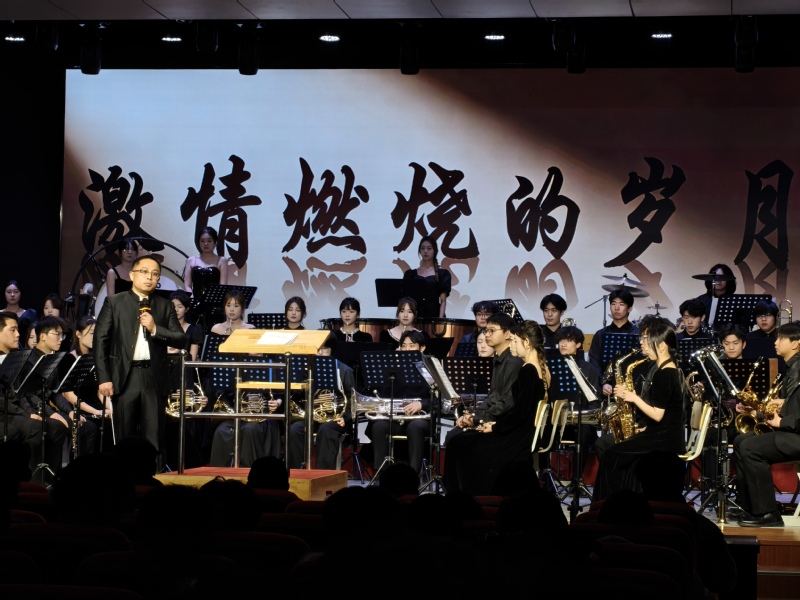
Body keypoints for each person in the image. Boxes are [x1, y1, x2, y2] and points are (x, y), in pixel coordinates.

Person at [93, 255, 185, 468]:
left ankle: (155, 478)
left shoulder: (164, 306)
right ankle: (123, 479)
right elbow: (100, 342)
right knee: (123, 436)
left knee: (154, 437)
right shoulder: (115, 302)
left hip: (154, 378)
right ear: (132, 275)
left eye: (155, 274)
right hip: (124, 377)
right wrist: (104, 378)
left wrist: (155, 328)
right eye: (144, 272)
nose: (149, 277)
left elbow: (180, 339)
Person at [444, 320, 547, 495]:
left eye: (515, 341)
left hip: (517, 437)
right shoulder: (541, 368)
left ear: (527, 342)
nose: (512, 345)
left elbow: (519, 413)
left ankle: (461, 496)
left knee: (458, 443)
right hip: (522, 431)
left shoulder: (528, 370)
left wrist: (495, 427)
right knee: (461, 441)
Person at [593, 318, 686, 500]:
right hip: (662, 434)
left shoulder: (665, 374)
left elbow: (658, 415)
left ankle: (608, 503)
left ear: (662, 346)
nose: (643, 345)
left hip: (664, 439)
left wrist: (633, 398)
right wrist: (646, 428)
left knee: (611, 454)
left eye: (648, 342)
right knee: (617, 452)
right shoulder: (669, 371)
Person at [733, 321, 800, 527]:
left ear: (796, 343)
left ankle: (768, 513)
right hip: (791, 430)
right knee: (740, 441)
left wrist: (782, 421)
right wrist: (759, 411)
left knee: (750, 448)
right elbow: (791, 404)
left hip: (795, 434)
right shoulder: (791, 368)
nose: (775, 342)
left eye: (781, 338)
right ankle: (750, 506)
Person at [208, 291, 278, 468]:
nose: (232, 309)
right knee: (222, 431)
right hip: (231, 393)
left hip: (255, 404)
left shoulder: (251, 331)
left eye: (236, 305)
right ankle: (220, 471)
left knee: (250, 429)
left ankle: (249, 470)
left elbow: (277, 391)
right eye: (228, 305)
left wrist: (276, 401)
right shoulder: (216, 329)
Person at [0, 312, 67, 473]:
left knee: (57, 427)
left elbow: (21, 393)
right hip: (4, 415)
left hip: (15, 412)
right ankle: (32, 477)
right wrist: (26, 414)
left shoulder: (16, 358)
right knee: (36, 427)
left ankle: (48, 476)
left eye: (18, 330)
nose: (18, 334)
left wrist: (30, 412)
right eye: (13, 330)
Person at [448, 312, 523, 442]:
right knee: (453, 435)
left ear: (507, 334)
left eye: (492, 331)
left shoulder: (513, 362)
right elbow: (492, 396)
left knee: (457, 439)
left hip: (503, 425)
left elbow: (507, 402)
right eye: (486, 331)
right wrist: (473, 416)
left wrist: (477, 419)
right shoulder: (499, 359)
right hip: (493, 419)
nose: (487, 334)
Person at [30, 316, 97, 458]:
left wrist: (70, 411)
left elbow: (55, 393)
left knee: (89, 427)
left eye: (62, 335)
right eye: (57, 334)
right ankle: (51, 470)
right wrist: (51, 413)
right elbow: (30, 396)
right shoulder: (30, 361)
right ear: (42, 336)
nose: (61, 339)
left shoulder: (53, 359)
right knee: (58, 427)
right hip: (33, 410)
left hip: (47, 409)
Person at [367, 330, 431, 476]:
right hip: (395, 418)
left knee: (415, 427)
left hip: (419, 419)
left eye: (412, 346)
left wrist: (422, 404)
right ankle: (382, 474)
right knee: (378, 426)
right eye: (404, 346)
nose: (407, 350)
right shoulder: (392, 368)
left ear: (422, 348)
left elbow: (439, 398)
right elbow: (383, 395)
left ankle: (414, 475)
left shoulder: (430, 368)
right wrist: (380, 408)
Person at [288, 335, 355, 470]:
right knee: (295, 430)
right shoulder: (306, 368)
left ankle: (323, 474)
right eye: (317, 349)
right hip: (310, 416)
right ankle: (296, 472)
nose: (319, 353)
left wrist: (345, 417)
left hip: (335, 418)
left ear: (331, 350)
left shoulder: (344, 370)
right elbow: (297, 395)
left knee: (326, 430)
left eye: (324, 349)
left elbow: (352, 399)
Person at [555, 325, 601, 476]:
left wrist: (584, 416)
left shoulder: (588, 369)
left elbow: (594, 401)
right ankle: (546, 476)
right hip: (557, 419)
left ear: (579, 344)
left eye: (568, 340)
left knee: (584, 433)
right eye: (561, 340)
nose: (563, 344)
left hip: (580, 420)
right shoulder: (552, 366)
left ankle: (577, 479)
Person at [588, 289, 639, 376]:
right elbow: (594, 361)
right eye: (613, 304)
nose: (616, 308)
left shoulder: (638, 333)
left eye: (621, 304)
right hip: (604, 382)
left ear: (630, 308)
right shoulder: (600, 334)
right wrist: (603, 381)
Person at [402, 236, 451, 319]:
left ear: (434, 251)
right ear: (419, 251)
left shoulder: (442, 274)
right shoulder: (411, 274)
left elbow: (443, 301)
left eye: (429, 248)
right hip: (415, 315)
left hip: (434, 314)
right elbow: (406, 300)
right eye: (422, 248)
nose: (425, 251)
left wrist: (440, 320)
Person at [183, 226, 229, 298]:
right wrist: (192, 298)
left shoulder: (221, 260)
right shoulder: (191, 260)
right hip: (194, 300)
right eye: (202, 241)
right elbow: (187, 285)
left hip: (214, 300)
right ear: (198, 242)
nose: (206, 243)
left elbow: (222, 286)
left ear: (215, 242)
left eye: (209, 241)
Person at [695, 263, 736, 330]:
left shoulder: (735, 300)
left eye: (721, 277)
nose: (718, 280)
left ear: (728, 279)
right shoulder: (700, 301)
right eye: (715, 277)